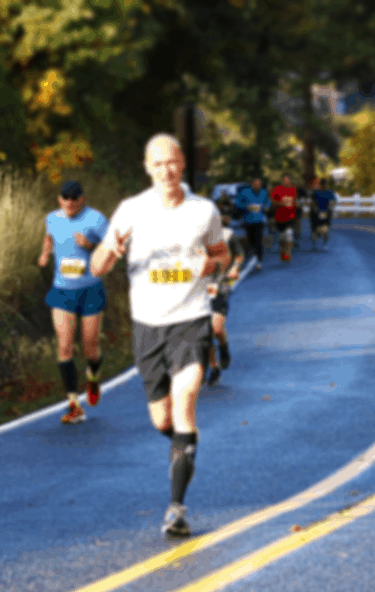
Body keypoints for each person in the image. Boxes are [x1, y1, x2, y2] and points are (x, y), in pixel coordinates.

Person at [90, 134, 231, 538]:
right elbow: (97, 267)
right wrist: (112, 250)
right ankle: (183, 447)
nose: (165, 170)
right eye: (157, 164)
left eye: (171, 162)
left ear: (182, 163)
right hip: (147, 326)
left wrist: (213, 264)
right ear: (147, 168)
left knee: (186, 402)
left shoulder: (204, 211)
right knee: (163, 419)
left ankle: (176, 507)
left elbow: (222, 254)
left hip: (191, 320)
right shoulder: (131, 211)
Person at [37, 181, 110, 424]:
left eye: (74, 198)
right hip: (62, 291)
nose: (69, 203)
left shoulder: (96, 219)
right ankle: (74, 403)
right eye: (65, 198)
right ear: (60, 200)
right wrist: (45, 254)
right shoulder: (52, 218)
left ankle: (93, 374)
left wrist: (89, 245)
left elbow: (111, 248)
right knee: (65, 346)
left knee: (90, 346)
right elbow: (49, 238)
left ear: (82, 199)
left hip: (90, 290)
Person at [205, 213, 245, 387]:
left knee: (216, 329)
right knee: (204, 333)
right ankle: (213, 366)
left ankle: (224, 347)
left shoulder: (228, 235)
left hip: (221, 283)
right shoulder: (193, 238)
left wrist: (235, 268)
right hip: (200, 286)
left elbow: (239, 255)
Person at [234, 177, 270, 271]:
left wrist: (266, 207)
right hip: (248, 220)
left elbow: (267, 203)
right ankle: (252, 257)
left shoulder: (263, 192)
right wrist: (247, 207)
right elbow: (238, 203)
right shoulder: (245, 192)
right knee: (251, 240)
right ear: (252, 183)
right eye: (255, 183)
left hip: (260, 220)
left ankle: (258, 260)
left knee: (258, 240)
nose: (257, 185)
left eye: (259, 183)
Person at [269, 174, 299, 262]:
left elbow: (295, 200)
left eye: (287, 180)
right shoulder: (276, 189)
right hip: (279, 217)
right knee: (282, 237)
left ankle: (288, 252)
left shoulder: (293, 189)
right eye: (284, 180)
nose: (286, 181)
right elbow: (272, 201)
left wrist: (296, 204)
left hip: (291, 216)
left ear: (289, 181)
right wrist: (280, 204)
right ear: (282, 181)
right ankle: (283, 250)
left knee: (289, 234)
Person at [309, 177, 337, 250]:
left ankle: (324, 244)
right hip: (316, 213)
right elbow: (312, 202)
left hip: (326, 213)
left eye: (325, 184)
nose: (324, 186)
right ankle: (314, 244)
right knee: (315, 229)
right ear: (320, 184)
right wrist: (314, 208)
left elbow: (333, 202)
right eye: (323, 184)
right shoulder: (315, 192)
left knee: (325, 228)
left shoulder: (329, 192)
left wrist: (331, 208)